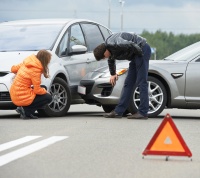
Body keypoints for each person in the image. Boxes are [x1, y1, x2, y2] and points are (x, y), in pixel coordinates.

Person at [93, 32, 151, 119]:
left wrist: (140, 57)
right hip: (136, 55)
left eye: (103, 57)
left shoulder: (114, 43)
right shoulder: (110, 49)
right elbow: (111, 60)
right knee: (128, 83)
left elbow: (131, 44)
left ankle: (143, 112)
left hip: (142, 50)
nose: (104, 58)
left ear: (105, 51)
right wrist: (113, 74)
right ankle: (118, 111)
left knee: (141, 81)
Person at [10, 49, 52, 119]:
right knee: (48, 97)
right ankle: (27, 111)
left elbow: (13, 69)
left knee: (43, 87)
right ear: (45, 60)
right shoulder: (36, 70)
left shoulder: (28, 62)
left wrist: (20, 73)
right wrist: (46, 92)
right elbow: (37, 90)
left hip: (14, 92)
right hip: (21, 96)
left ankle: (25, 109)